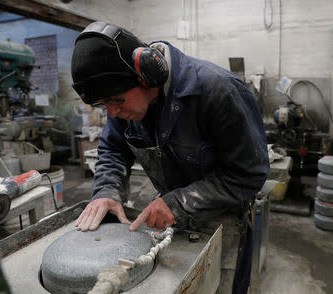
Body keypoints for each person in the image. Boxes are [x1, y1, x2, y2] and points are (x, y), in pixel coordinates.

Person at [71, 21, 269, 294]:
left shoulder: (218, 91)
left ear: (147, 75)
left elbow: (249, 174)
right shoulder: (121, 102)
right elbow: (113, 150)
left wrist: (177, 203)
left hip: (223, 217)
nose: (112, 113)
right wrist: (107, 191)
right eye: (104, 105)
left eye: (116, 101)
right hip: (168, 218)